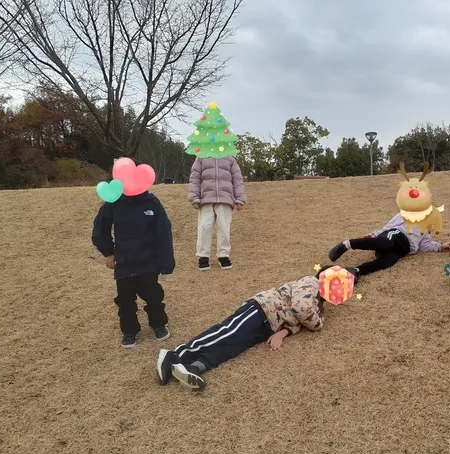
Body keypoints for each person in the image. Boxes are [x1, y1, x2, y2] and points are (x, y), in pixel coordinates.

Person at [156, 266, 358, 391]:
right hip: (262, 309)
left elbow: (302, 322)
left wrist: (286, 331)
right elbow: (301, 309)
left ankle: (193, 367)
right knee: (226, 332)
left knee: (232, 348)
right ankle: (174, 355)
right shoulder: (310, 283)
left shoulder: (318, 303)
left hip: (270, 326)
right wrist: (315, 323)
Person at [92, 191, 175, 348]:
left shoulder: (152, 202)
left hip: (148, 261)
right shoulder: (113, 201)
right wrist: (108, 252)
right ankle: (129, 331)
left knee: (153, 295)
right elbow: (100, 227)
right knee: (125, 300)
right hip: (124, 261)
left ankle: (158, 324)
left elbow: (164, 231)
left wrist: (166, 261)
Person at [327, 213, 450, 277]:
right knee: (385, 243)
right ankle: (347, 244)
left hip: (402, 250)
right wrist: (374, 234)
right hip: (396, 235)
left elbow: (425, 245)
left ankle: (356, 271)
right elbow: (388, 227)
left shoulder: (425, 229)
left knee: (387, 261)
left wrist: (441, 246)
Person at [188, 155, 246, 271]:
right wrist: (194, 197)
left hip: (225, 199)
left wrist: (239, 198)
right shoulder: (201, 158)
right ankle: (203, 256)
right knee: (205, 227)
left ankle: (223, 255)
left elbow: (237, 180)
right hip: (206, 199)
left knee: (224, 228)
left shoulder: (230, 159)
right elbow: (195, 178)